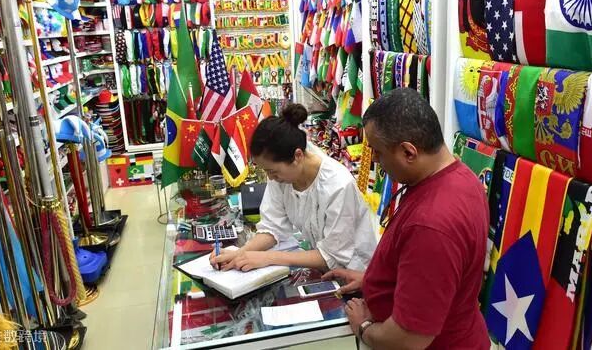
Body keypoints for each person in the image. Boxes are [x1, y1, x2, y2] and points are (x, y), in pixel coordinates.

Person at [323, 89, 490, 349]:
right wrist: (375, 280)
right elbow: (438, 277)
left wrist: (363, 327)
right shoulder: (461, 177)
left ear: (409, 153)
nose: (375, 160)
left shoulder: (431, 224)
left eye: (378, 152)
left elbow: (409, 338)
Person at [210, 103, 377, 272]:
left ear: (298, 156)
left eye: (272, 171)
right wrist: (240, 254)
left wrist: (267, 258)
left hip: (356, 273)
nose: (270, 178)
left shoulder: (338, 186)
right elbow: (272, 227)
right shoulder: (282, 176)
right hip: (324, 270)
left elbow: (332, 256)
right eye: (267, 171)